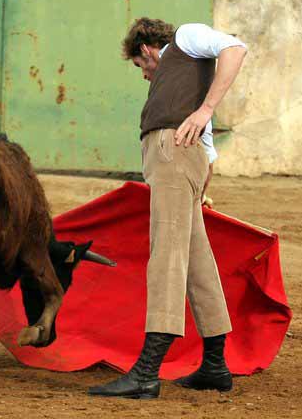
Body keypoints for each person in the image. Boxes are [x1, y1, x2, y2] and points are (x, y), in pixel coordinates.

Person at [88, 20, 247, 399]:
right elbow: (204, 144)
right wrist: (198, 181)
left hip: (171, 156)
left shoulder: (186, 37)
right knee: (196, 260)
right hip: (183, 162)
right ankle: (214, 365)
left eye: (141, 67)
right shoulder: (186, 74)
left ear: (146, 49)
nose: (145, 76)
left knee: (166, 257)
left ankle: (146, 372)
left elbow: (236, 48)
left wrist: (206, 110)